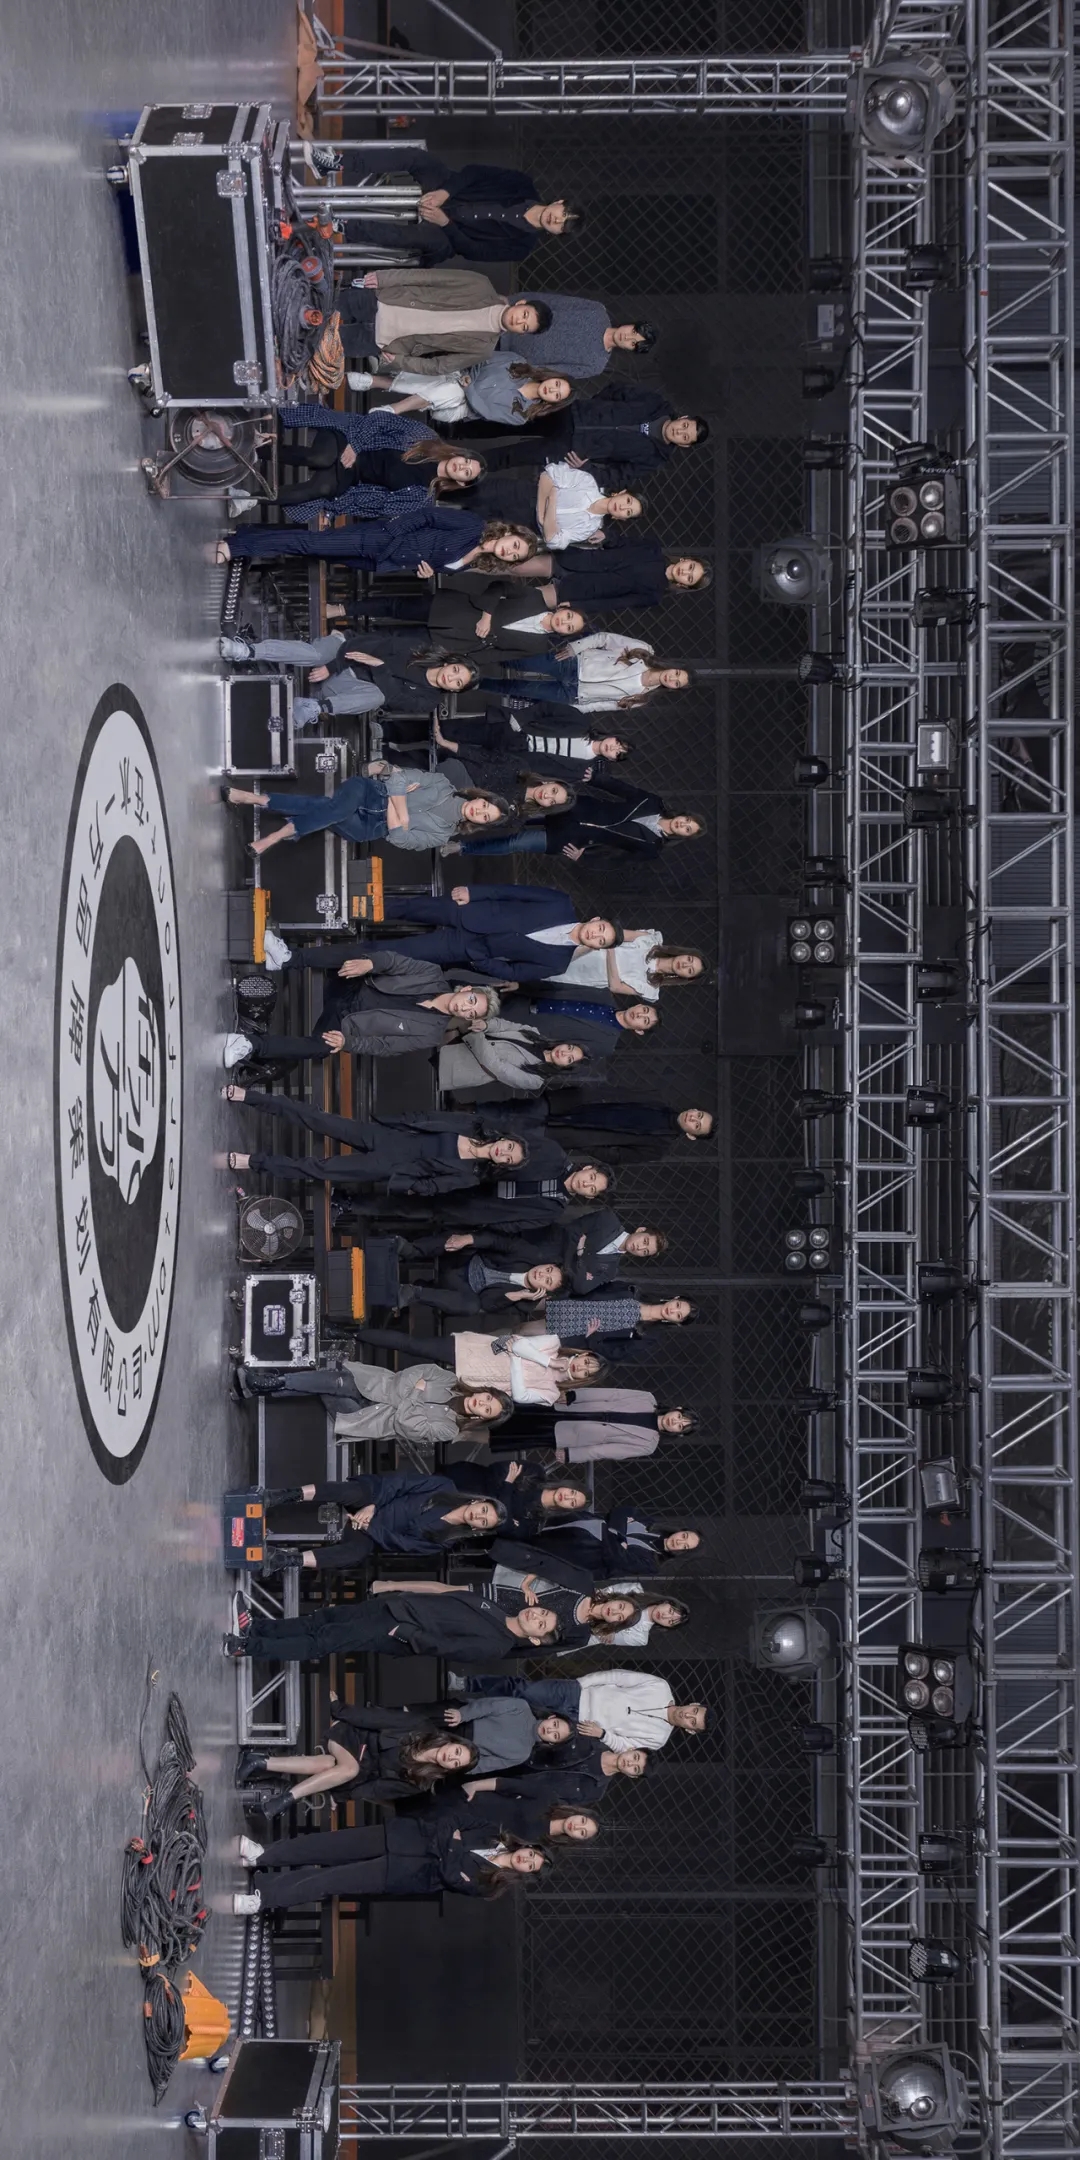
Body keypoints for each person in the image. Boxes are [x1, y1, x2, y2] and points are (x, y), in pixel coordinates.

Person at [220, 950, 498, 1072]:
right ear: (466, 989)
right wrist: (371, 964)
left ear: (467, 1020)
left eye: (471, 1014)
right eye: (472, 1001)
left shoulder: (432, 1035)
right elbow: (394, 961)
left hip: (346, 1022)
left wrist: (348, 1043)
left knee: (322, 1048)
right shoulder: (432, 973)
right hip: (350, 984)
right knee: (359, 954)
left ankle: (248, 1044)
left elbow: (384, 1047)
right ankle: (286, 958)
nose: (466, 1008)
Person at [311, 147, 584, 263]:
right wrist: (444, 192)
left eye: (562, 226)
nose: (556, 220)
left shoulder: (521, 247)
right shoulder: (522, 185)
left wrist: (446, 223)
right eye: (562, 214)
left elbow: (474, 251)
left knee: (419, 239)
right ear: (558, 202)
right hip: (450, 189)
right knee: (418, 159)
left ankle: (341, 225)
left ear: (556, 234)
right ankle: (336, 163)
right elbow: (475, 172)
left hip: (449, 235)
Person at [234, 1819, 551, 1914]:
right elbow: (449, 1823)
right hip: (401, 1837)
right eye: (531, 1855)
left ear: (525, 1874)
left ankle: (264, 1899)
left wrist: (451, 1845)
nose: (526, 1860)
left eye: (531, 1866)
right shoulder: (492, 1831)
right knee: (324, 1845)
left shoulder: (491, 1884)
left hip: (401, 1874)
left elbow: (450, 1875)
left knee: (329, 1881)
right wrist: (450, 1848)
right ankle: (263, 1855)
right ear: (527, 1846)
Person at [223, 766, 516, 862]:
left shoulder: (442, 835)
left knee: (327, 809)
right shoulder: (441, 783)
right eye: (485, 806)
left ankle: (257, 799)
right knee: (336, 810)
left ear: (479, 824)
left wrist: (398, 802)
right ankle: (276, 836)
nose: (479, 811)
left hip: (367, 828)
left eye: (485, 817)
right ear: (480, 797)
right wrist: (400, 812)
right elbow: (398, 777)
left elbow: (400, 839)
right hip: (367, 792)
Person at [223, 1582, 565, 1664]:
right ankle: (257, 1628)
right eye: (542, 1613)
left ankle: (246, 1647)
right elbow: (444, 1594)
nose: (536, 1616)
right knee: (322, 1620)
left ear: (535, 1640)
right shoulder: (494, 1606)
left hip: (397, 1630)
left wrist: (406, 1633)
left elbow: (447, 1648)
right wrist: (397, 1591)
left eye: (541, 1624)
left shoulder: (497, 1645)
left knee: (323, 1642)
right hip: (393, 1607)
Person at [246, 1468, 510, 1574]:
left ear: (477, 1529)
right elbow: (400, 1482)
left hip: (374, 1531)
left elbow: (400, 1544)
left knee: (355, 1554)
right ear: (478, 1501)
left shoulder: (444, 1541)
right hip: (378, 1496)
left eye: (484, 1522)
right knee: (352, 1492)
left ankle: (285, 1560)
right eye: (484, 1510)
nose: (479, 1516)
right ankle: (283, 1495)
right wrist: (372, 1507)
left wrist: (369, 1526)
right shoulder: (445, 1487)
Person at [218, 628, 489, 730]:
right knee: (315, 654)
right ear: (451, 662)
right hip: (343, 652)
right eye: (456, 671)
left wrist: (380, 666)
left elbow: (394, 698)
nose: (451, 677)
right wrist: (333, 666)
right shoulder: (419, 648)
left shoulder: (428, 701)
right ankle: (247, 651)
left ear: (455, 691)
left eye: (457, 682)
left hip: (347, 689)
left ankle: (313, 708)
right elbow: (367, 644)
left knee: (378, 696)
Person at [222, 1110, 530, 1196]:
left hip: (389, 1164)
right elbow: (426, 1118)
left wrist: (404, 1179)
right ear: (506, 1139)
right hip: (390, 1137)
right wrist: (395, 1122)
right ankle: (251, 1096)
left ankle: (254, 1162)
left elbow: (432, 1187)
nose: (503, 1153)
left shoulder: (471, 1176)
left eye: (508, 1159)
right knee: (320, 1119)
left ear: (502, 1166)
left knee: (321, 1168)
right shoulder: (471, 1124)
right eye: (509, 1147)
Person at [269, 403, 487, 522]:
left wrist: (332, 510)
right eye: (466, 460)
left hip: (351, 477)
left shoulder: (422, 498)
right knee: (320, 458)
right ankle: (260, 450)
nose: (462, 466)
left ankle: (256, 498)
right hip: (350, 440)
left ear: (461, 482)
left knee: (320, 489)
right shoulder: (425, 437)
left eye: (467, 472)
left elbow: (375, 508)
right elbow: (380, 419)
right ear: (460, 454)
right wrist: (355, 446)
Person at [376, 884, 624, 986]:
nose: (595, 935)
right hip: (470, 911)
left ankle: (354, 956)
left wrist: (481, 960)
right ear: (595, 920)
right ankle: (356, 908)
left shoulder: (558, 964)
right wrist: (474, 893)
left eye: (600, 941)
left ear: (596, 948)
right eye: (601, 929)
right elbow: (513, 892)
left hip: (468, 947)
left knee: (402, 951)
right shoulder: (560, 903)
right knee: (404, 907)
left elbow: (513, 973)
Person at [233, 1357, 509, 1447]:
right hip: (369, 1383)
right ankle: (267, 1384)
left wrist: (414, 1393)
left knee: (330, 1388)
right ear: (484, 1390)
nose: (481, 1403)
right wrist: (409, 1399)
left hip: (365, 1417)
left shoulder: (449, 1430)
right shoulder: (447, 1378)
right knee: (336, 1382)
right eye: (487, 1398)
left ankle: (266, 1384)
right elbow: (408, 1375)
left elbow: (406, 1425)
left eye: (487, 1409)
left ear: (482, 1418)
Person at [235, 1710, 480, 1807]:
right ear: (453, 1742)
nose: (451, 1757)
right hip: (354, 1737)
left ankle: (259, 1761)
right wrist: (340, 1710)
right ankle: (289, 1798)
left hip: (355, 1772)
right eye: (457, 1752)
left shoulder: (422, 1782)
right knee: (348, 1768)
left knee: (331, 1765)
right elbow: (377, 1718)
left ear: (450, 1770)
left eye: (456, 1763)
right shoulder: (421, 1725)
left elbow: (376, 1789)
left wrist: (340, 1797)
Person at [334, 265, 552, 367]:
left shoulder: (483, 349)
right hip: (383, 300)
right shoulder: (480, 284)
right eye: (524, 314)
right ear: (521, 303)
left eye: (524, 327)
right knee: (320, 307)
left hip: (385, 341)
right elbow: (429, 277)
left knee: (321, 344)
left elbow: (440, 366)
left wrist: (400, 362)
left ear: (521, 334)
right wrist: (385, 278)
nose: (519, 321)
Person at [344, 1322, 604, 1405]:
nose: (581, 1367)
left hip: (470, 1385)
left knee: (406, 1384)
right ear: (581, 1355)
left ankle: (349, 1380)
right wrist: (549, 1361)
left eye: (586, 1372)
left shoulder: (550, 1394)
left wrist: (515, 1360)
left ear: (584, 1380)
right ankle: (350, 1334)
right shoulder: (553, 1344)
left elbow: (521, 1396)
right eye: (586, 1362)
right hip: (471, 1352)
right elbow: (520, 1344)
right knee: (412, 1344)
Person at [461, 775, 706, 862]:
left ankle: (463, 847)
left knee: (517, 842)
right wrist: (596, 779)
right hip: (573, 809)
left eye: (687, 829)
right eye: (687, 821)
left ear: (683, 836)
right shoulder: (653, 802)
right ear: (683, 815)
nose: (682, 825)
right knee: (516, 814)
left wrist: (584, 856)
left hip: (572, 838)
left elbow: (616, 859)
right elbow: (624, 790)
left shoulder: (652, 848)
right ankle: (465, 818)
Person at [458, 1670, 709, 1753]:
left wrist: (603, 1735)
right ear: (693, 1703)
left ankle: (465, 1710)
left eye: (693, 1722)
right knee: (524, 1690)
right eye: (694, 1711)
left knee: (522, 1724)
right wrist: (581, 1683)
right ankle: (468, 1683)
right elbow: (617, 1676)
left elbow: (625, 1747)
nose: (688, 1715)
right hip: (577, 1693)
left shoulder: (659, 1739)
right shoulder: (660, 1687)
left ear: (690, 1730)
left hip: (581, 1726)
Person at [216, 511, 540, 575]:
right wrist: (392, 531)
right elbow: (428, 515)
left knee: (314, 549)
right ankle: (236, 547)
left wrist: (427, 573)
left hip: (383, 562)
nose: (509, 551)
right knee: (308, 543)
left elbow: (432, 561)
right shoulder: (473, 526)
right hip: (381, 539)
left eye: (514, 556)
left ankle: (245, 536)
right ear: (509, 533)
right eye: (515, 545)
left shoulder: (476, 562)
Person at [484, 384, 708, 474]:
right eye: (685, 426)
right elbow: (618, 390)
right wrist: (594, 406)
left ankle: (467, 466)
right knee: (508, 421)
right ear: (683, 418)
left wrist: (588, 467)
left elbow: (618, 476)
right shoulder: (655, 403)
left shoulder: (653, 460)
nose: (680, 431)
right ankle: (461, 428)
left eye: (685, 436)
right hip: (571, 414)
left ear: (684, 445)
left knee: (511, 456)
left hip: (572, 449)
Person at [470, 541, 712, 613]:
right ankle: (458, 565)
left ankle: (466, 606)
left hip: (578, 592)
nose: (686, 572)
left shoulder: (655, 595)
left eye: (690, 578)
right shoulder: (652, 550)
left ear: (685, 585)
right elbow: (617, 543)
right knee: (510, 566)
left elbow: (615, 603)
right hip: (576, 561)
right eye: (691, 567)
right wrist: (605, 536)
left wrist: (578, 606)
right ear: (685, 560)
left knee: (518, 602)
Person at [479, 633, 694, 712]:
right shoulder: (644, 651)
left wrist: (576, 707)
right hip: (574, 665)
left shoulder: (642, 698)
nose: (671, 678)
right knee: (519, 662)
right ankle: (472, 659)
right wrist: (576, 647)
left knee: (518, 688)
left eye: (676, 683)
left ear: (672, 688)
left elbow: (602, 705)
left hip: (573, 695)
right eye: (676, 673)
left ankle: (475, 683)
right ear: (673, 666)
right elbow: (605, 638)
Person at [488, 1565, 689, 1649]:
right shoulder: (636, 1589)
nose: (666, 1616)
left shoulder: (640, 1638)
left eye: (671, 1621)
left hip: (581, 1625)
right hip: (583, 1600)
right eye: (670, 1611)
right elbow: (606, 1592)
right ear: (666, 1602)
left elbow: (604, 1636)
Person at [496, 1506, 701, 1587]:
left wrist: (614, 1529)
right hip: (573, 1525)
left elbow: (616, 1558)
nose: (679, 1541)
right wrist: (618, 1537)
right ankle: (483, 1534)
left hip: (577, 1553)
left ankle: (482, 1554)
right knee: (518, 1530)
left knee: (518, 1552)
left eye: (685, 1546)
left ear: (682, 1553)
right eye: (684, 1536)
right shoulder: (652, 1524)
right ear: (680, 1530)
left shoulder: (653, 1564)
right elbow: (622, 1509)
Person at [436, 711, 633, 787]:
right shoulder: (580, 722)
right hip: (512, 733)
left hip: (513, 760)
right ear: (612, 735)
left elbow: (547, 780)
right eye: (617, 742)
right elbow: (546, 707)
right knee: (448, 730)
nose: (613, 747)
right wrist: (520, 719)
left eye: (617, 753)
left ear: (612, 759)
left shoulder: (582, 771)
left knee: (452, 759)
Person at [486, 1391, 697, 1461]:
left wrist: (572, 1455)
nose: (675, 1422)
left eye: (680, 1426)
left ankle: (469, 1434)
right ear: (676, 1409)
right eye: (680, 1417)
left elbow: (606, 1451)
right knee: (511, 1410)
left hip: (573, 1435)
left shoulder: (648, 1445)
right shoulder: (647, 1398)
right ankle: (475, 1414)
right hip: (571, 1407)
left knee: (509, 1435)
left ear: (677, 1434)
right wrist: (575, 1395)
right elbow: (610, 1394)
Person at [499, 297, 657, 378]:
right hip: (507, 321)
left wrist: (511, 367)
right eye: (633, 331)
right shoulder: (597, 312)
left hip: (507, 356)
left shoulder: (596, 365)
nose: (627, 337)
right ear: (631, 324)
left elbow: (549, 372)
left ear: (630, 350)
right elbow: (553, 302)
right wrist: (514, 302)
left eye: (633, 343)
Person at [442, 1457, 591, 1541]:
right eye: (572, 1491)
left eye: (572, 1502)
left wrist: (508, 1484)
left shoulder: (535, 1523)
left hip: (465, 1515)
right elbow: (495, 1471)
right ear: (568, 1485)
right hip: (464, 1480)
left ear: (569, 1509)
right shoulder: (535, 1472)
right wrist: (505, 1512)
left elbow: (504, 1529)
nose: (567, 1497)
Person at [439, 1024, 591, 1104]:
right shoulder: (533, 1033)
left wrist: (476, 1034)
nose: (564, 1053)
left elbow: (496, 1067)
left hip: (458, 1065)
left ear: (566, 1067)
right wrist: (485, 1024)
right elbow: (502, 1025)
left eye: (569, 1059)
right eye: (569, 1048)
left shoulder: (535, 1079)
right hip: (457, 1041)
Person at [545, 1096, 715, 1153]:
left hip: (574, 1134)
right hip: (578, 1104)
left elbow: (617, 1156)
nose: (693, 1119)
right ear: (695, 1109)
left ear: (691, 1136)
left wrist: (586, 1144)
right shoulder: (658, 1099)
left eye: (697, 1126)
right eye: (698, 1115)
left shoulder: (659, 1147)